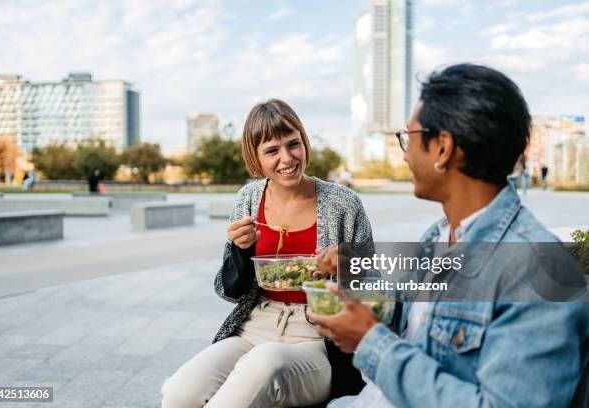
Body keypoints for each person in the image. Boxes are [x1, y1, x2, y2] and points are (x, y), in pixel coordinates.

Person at [307, 64, 589, 407]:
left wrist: (371, 343)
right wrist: (353, 278)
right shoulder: (439, 236)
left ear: (442, 148)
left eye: (407, 138)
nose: (406, 153)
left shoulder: (539, 273)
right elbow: (412, 316)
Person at [161, 99, 373, 407]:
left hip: (316, 338)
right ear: (256, 157)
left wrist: (344, 267)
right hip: (254, 326)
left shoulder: (344, 204)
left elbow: (374, 287)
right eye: (272, 150)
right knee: (180, 392)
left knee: (262, 366)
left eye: (293, 144)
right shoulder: (248, 198)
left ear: (304, 142)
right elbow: (230, 291)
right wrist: (239, 250)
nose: (287, 158)